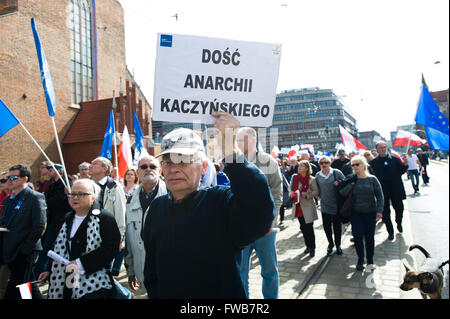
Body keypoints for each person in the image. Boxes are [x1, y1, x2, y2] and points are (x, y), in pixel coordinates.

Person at [142, 112, 275, 299]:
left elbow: (259, 214)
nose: (174, 168)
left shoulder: (221, 202)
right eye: (168, 161)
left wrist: (231, 151)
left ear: (204, 167)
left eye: (184, 159)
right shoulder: (156, 209)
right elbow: (151, 270)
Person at [38, 179, 121, 299]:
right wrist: (49, 270)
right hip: (69, 276)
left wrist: (81, 263)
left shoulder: (104, 218)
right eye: (72, 194)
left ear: (93, 197)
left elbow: (111, 248)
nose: (75, 197)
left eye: (81, 194)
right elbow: (59, 248)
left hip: (93, 279)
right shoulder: (67, 219)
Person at [236, 126, 282, 299]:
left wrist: (271, 221)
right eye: (237, 139)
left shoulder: (268, 161)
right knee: (240, 271)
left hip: (265, 228)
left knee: (269, 270)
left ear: (254, 139)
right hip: (240, 228)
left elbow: (277, 192)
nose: (238, 143)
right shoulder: (234, 162)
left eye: (242, 139)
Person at [0, 164, 46, 299]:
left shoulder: (35, 197)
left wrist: (26, 248)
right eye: (8, 177)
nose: (9, 180)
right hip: (9, 248)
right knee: (27, 283)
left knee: (18, 284)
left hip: (25, 250)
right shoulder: (8, 199)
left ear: (24, 179)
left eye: (13, 177)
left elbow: (39, 225)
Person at [124, 155, 167, 292]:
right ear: (138, 172)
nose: (148, 169)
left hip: (168, 272)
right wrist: (130, 270)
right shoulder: (130, 201)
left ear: (160, 171)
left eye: (153, 166)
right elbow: (130, 239)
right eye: (143, 167)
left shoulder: (172, 195)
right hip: (142, 272)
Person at [89, 157, 129, 297]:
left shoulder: (113, 187)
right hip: (91, 235)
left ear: (105, 168)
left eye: (94, 164)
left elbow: (120, 212)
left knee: (103, 271)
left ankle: (122, 295)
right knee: (98, 270)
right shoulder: (89, 186)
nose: (90, 166)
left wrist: (120, 237)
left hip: (107, 235)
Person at [339, 155, 384, 271]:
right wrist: (351, 184)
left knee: (369, 238)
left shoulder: (372, 179)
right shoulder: (352, 179)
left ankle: (370, 260)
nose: (355, 167)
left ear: (364, 165)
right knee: (358, 237)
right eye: (353, 165)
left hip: (370, 213)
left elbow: (380, 195)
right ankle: (360, 259)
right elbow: (342, 193)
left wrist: (379, 211)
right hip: (356, 213)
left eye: (357, 164)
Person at [34, 164, 72, 277]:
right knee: (48, 246)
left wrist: (49, 201)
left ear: (59, 171)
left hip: (63, 222)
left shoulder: (66, 184)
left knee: (60, 247)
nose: (48, 172)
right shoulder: (51, 185)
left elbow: (61, 201)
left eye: (51, 170)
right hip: (52, 221)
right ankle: (39, 272)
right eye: (49, 170)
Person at [369, 141, 408, 239]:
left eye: (384, 147)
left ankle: (399, 222)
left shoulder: (394, 159)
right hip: (382, 192)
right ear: (377, 149)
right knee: (385, 213)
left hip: (396, 189)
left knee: (399, 209)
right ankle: (390, 232)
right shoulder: (373, 163)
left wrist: (405, 165)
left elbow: (402, 170)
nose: (383, 149)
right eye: (381, 147)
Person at [315, 155, 345, 256]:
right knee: (327, 226)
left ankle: (338, 245)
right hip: (324, 205)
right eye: (322, 163)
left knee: (337, 226)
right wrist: (314, 193)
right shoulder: (318, 175)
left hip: (336, 204)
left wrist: (339, 182)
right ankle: (330, 243)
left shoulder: (336, 172)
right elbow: (317, 188)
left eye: (326, 162)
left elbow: (345, 183)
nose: (324, 165)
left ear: (330, 163)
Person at [289, 160, 319, 257]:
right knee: (303, 228)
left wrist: (307, 195)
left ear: (306, 168)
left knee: (309, 228)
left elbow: (316, 192)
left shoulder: (312, 179)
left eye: (302, 166)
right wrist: (291, 194)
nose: (299, 167)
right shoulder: (295, 178)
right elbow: (290, 188)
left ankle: (313, 247)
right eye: (299, 166)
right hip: (298, 206)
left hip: (308, 207)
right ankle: (307, 246)